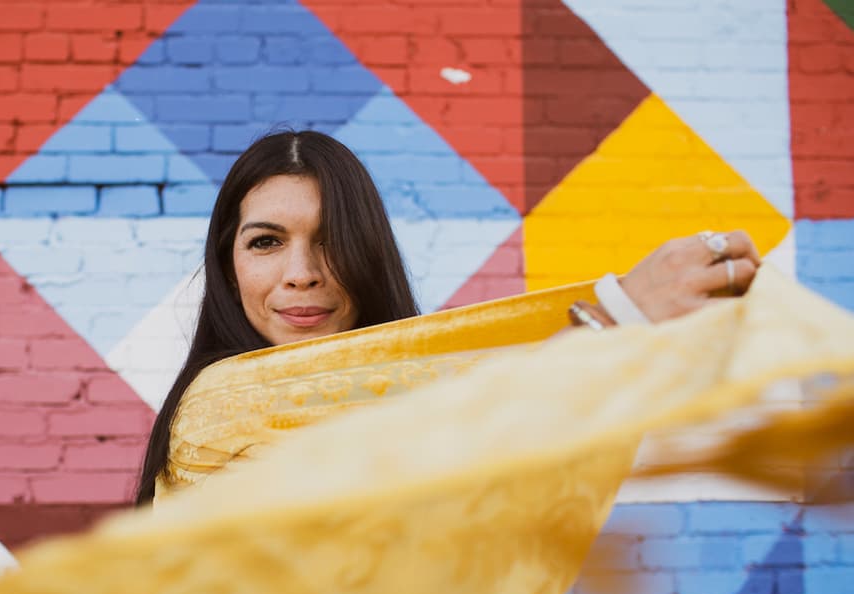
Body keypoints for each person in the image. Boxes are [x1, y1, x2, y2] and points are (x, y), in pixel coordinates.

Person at [137, 129, 762, 507]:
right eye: (266, 242)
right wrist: (617, 317)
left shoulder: (431, 418)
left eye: (330, 240)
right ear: (229, 265)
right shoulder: (217, 407)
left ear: (369, 255)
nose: (301, 272)